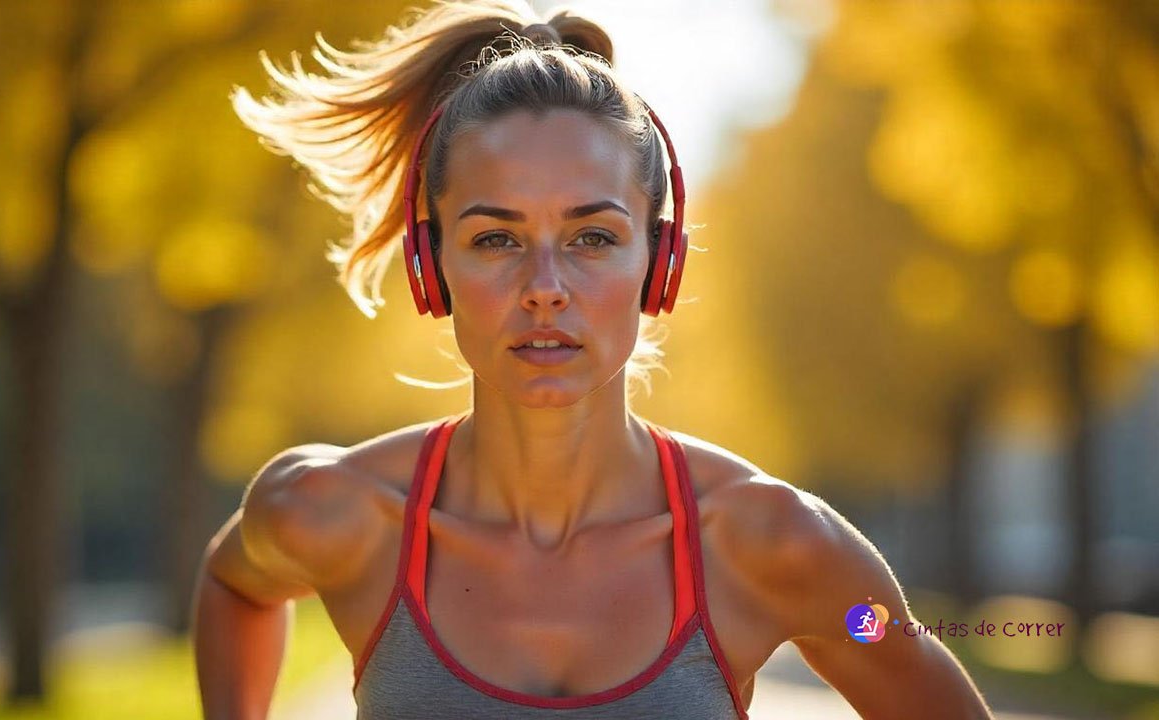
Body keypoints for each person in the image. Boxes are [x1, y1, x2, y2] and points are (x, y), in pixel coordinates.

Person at [192, 1, 996, 718]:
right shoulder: (332, 513)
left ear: (661, 258)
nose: (545, 288)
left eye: (593, 238)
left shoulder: (779, 547)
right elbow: (235, 583)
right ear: (431, 265)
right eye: (496, 238)